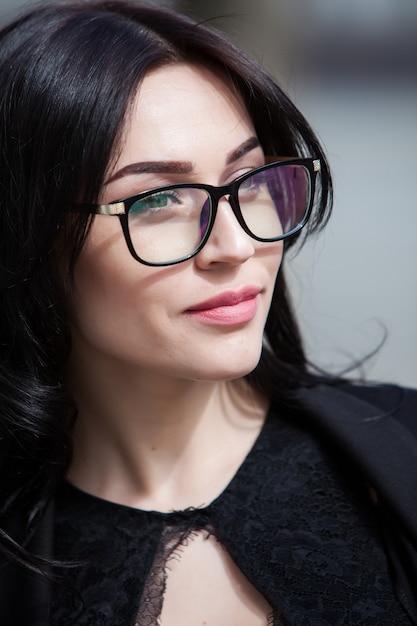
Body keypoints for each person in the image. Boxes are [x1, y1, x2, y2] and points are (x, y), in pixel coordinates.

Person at [0, 1, 416, 624]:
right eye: (160, 199)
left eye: (250, 179)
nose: (238, 246)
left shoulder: (401, 451)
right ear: (30, 237)